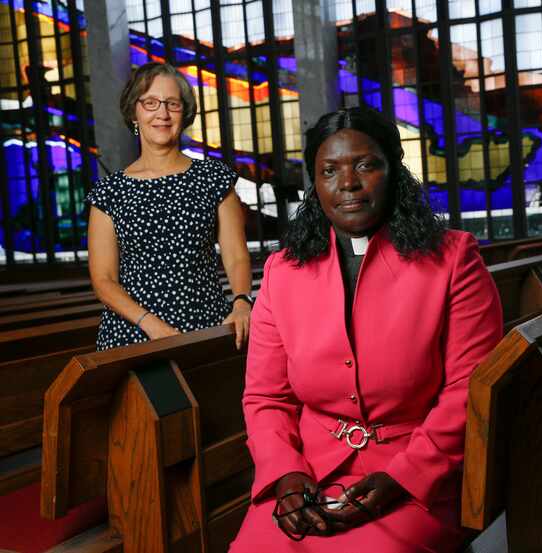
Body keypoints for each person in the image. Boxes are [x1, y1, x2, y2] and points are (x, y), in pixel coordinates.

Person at [230, 107, 503, 552]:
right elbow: (266, 396)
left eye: (365, 165)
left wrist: (404, 475)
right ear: (315, 185)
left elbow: (469, 391)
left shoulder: (453, 259)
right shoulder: (283, 271)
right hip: (310, 473)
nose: (348, 183)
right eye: (329, 171)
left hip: (419, 473)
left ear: (393, 170)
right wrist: (285, 473)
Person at [86, 62, 252, 351]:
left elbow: (236, 255)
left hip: (208, 325)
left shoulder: (214, 178)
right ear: (134, 112)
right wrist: (152, 325)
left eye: (172, 104)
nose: (162, 113)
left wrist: (241, 301)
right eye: (150, 103)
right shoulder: (109, 192)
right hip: (133, 334)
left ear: (184, 113)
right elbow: (104, 279)